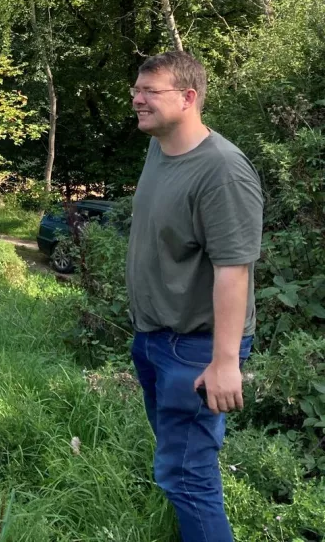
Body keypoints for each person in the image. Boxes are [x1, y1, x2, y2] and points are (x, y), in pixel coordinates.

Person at [126, 51, 263, 542]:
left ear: (188, 98)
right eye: (136, 90)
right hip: (154, 339)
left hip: (196, 348)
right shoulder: (160, 148)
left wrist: (225, 362)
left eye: (150, 91)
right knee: (181, 470)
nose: (137, 100)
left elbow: (234, 268)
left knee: (187, 477)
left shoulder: (223, 171)